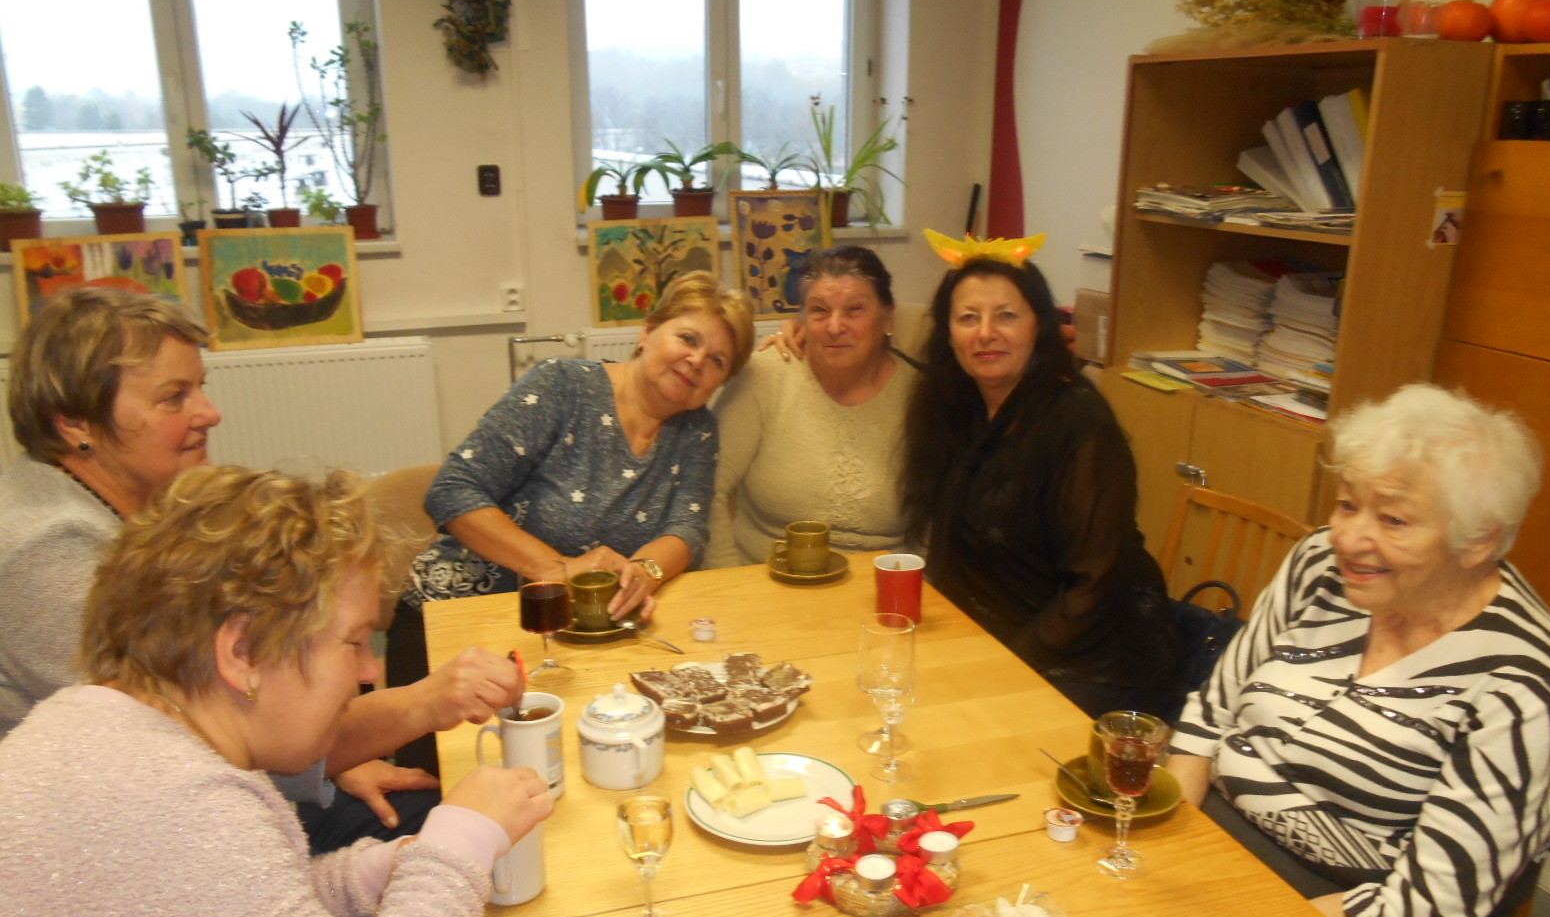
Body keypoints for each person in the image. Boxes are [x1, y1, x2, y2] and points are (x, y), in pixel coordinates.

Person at [0, 465, 554, 917]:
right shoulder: (158, 806)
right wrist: (456, 848)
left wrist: (375, 875)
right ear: (242, 652)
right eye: (353, 643)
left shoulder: (116, 737)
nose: (368, 671)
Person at [0, 287, 520, 848]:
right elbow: (178, 754)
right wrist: (421, 704)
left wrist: (336, 758)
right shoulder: (46, 551)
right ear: (74, 422)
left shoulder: (109, 506)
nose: (209, 413)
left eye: (200, 387)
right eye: (174, 398)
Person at [1166, 385, 1550, 917]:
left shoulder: (1526, 682)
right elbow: (1213, 714)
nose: (1348, 538)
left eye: (1393, 520)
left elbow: (1427, 907)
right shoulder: (1321, 565)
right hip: (1216, 849)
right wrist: (1168, 842)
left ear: (1479, 540)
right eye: (1348, 504)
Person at [390, 271, 755, 691]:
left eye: (717, 361)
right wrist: (556, 568)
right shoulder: (563, 386)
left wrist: (644, 571)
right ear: (647, 332)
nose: (697, 360)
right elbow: (452, 490)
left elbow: (687, 527)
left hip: (573, 638)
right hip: (461, 615)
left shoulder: (697, 429)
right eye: (688, 339)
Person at [901, 233, 1179, 718]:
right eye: (968, 318)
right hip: (988, 641)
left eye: (1006, 315)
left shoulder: (1079, 425)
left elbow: (1095, 585)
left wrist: (1003, 669)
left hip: (1086, 661)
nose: (986, 333)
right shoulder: (955, 406)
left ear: (1040, 326)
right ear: (948, 334)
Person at [707, 246, 916, 568]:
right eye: (820, 310)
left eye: (854, 310)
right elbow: (707, 487)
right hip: (763, 579)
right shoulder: (765, 375)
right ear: (801, 318)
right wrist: (727, 581)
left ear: (888, 317)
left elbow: (937, 521)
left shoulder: (921, 394)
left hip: (884, 585)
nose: (835, 326)